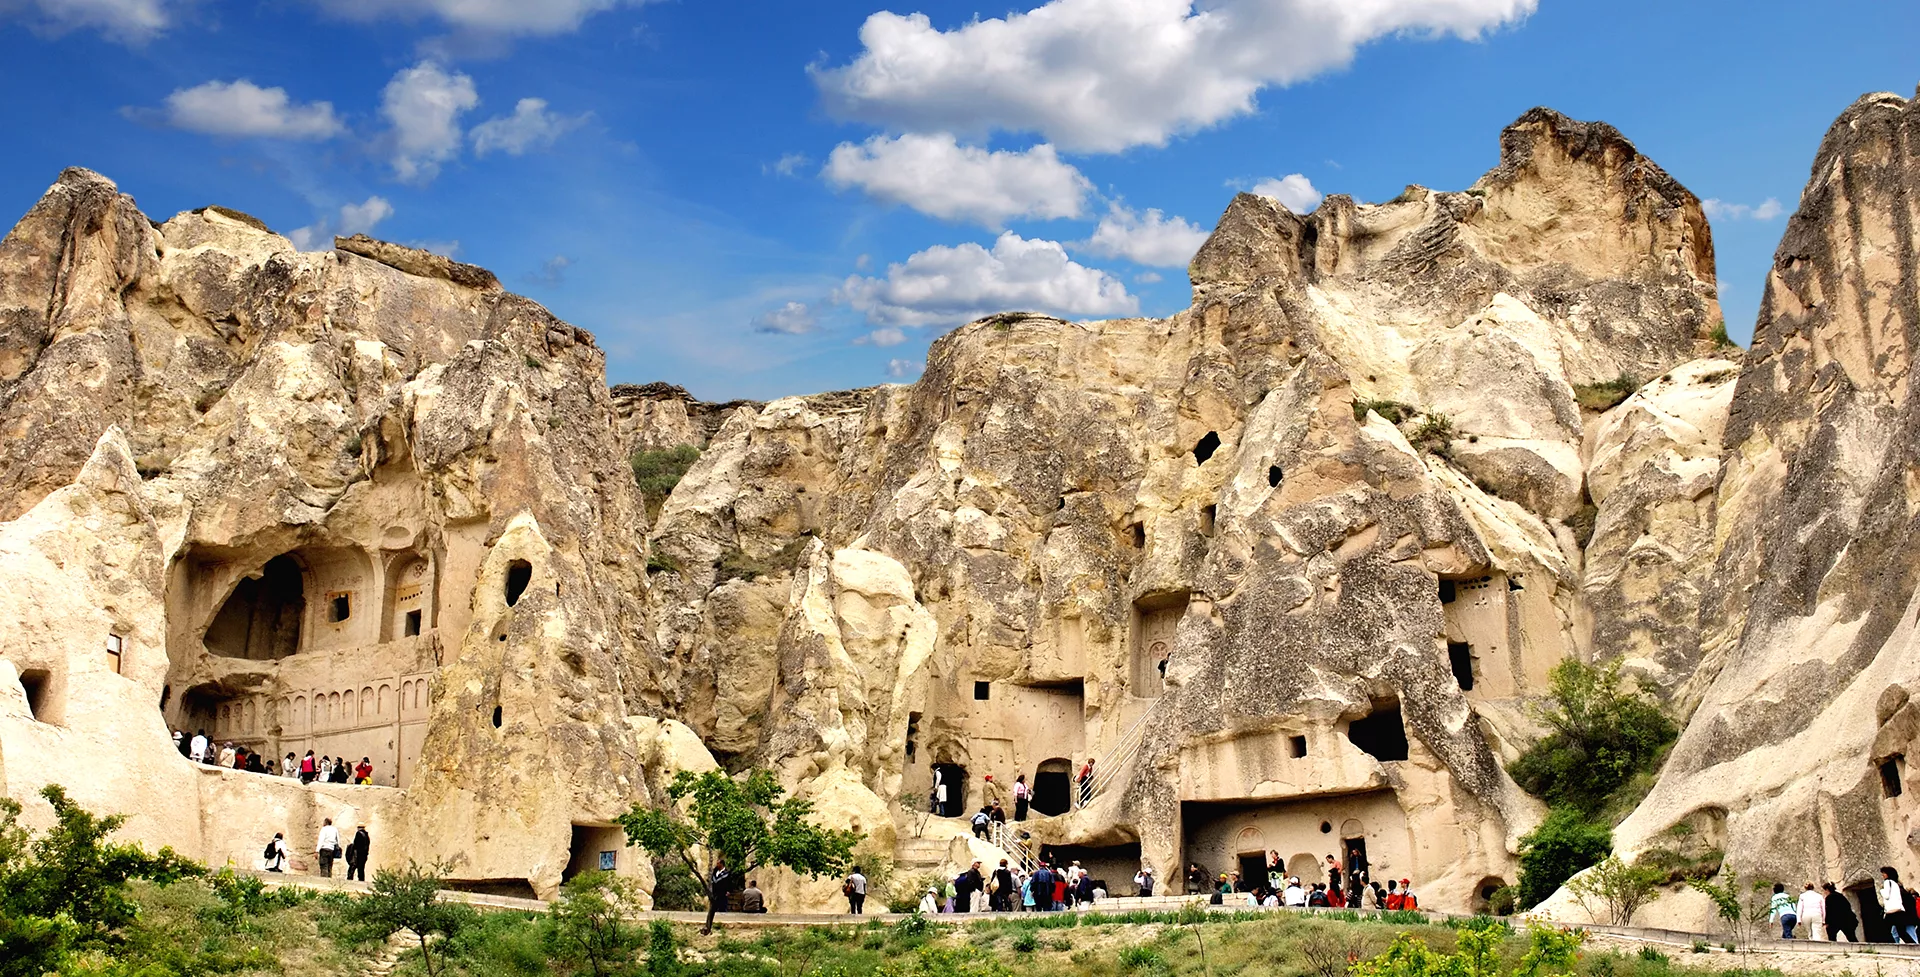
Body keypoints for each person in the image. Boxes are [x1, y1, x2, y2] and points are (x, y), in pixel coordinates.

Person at [1880, 868, 1908, 944]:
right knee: (1902, 933)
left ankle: (1890, 946)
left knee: (1884, 930)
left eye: (1884, 873)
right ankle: (1914, 946)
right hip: (1899, 910)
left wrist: (1881, 890)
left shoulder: (1887, 882)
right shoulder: (1895, 884)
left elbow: (1886, 896)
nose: (1883, 875)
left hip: (1892, 912)